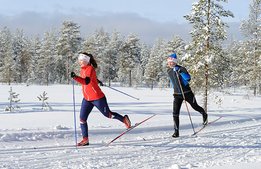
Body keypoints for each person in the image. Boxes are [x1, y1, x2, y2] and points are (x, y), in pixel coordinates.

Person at [71, 52, 131, 146]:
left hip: (97, 98)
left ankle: (124, 119)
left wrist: (75, 77)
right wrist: (96, 80)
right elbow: (90, 79)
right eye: (79, 60)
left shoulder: (90, 68)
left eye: (82, 60)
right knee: (82, 119)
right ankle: (85, 140)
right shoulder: (83, 69)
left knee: (109, 115)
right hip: (87, 99)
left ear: (87, 61)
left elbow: (86, 81)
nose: (80, 62)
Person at [167, 53, 208, 138]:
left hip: (187, 93)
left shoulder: (181, 68)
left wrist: (180, 72)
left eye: (172, 62)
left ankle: (204, 114)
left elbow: (188, 78)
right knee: (175, 113)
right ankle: (176, 131)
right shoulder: (169, 71)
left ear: (175, 62)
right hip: (177, 95)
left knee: (195, 107)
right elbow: (172, 81)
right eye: (169, 62)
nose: (170, 63)